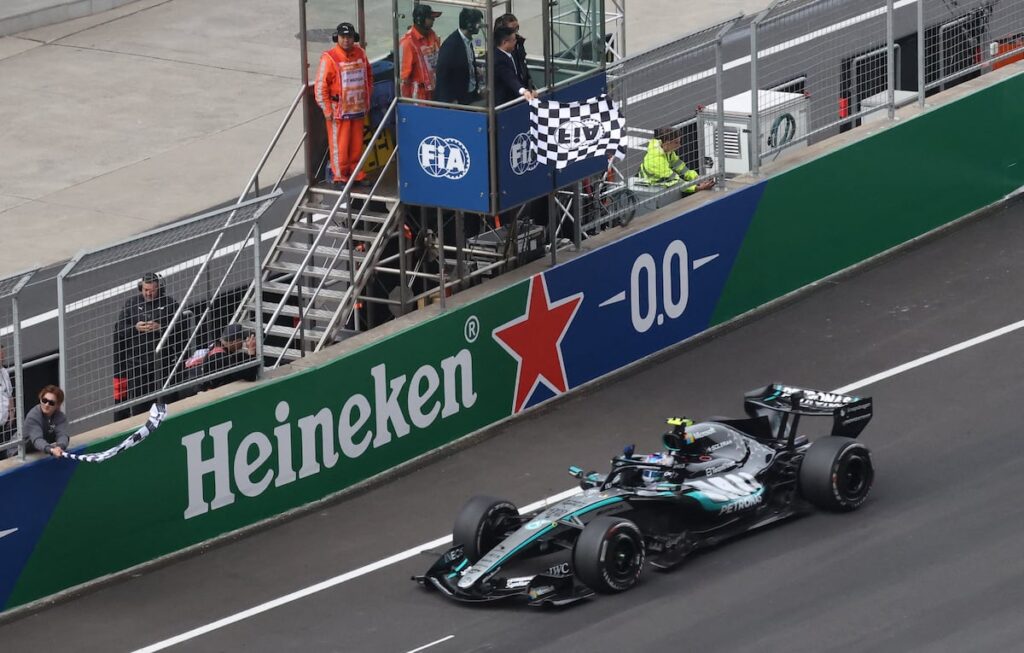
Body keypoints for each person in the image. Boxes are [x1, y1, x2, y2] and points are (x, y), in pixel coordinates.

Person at [113, 272, 180, 420]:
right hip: (137, 365)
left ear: (159, 288)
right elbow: (119, 328)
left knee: (165, 403)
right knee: (139, 406)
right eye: (146, 290)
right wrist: (135, 328)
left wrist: (161, 327)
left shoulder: (170, 304)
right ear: (140, 288)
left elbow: (180, 327)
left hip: (162, 364)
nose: (149, 293)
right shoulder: (131, 304)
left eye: (152, 290)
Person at [315, 22, 374, 186]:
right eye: (343, 37)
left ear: (354, 38)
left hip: (357, 110)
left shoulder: (361, 53)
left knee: (356, 145)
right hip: (338, 112)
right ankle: (340, 176)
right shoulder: (329, 58)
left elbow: (369, 76)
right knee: (339, 147)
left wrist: (366, 97)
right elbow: (320, 87)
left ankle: (356, 173)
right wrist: (327, 110)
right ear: (337, 37)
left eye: (349, 37)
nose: (346, 40)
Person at [639, 127, 715, 193]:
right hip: (652, 185)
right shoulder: (656, 160)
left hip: (660, 181)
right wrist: (697, 188)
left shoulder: (667, 151)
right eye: (676, 142)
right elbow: (674, 181)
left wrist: (697, 178)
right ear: (667, 142)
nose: (679, 145)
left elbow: (681, 168)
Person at [435, 8, 485, 105]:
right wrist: (450, 100)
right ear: (469, 25)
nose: (480, 26)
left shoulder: (468, 41)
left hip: (470, 93)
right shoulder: (450, 45)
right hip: (457, 99)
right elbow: (442, 75)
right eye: (478, 23)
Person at [192, 324, 260, 391]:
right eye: (242, 339)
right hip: (209, 392)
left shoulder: (217, 346)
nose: (244, 342)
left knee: (241, 356)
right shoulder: (220, 357)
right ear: (234, 342)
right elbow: (251, 376)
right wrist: (251, 350)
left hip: (209, 383)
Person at [399, 4, 442, 100]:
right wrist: (405, 102)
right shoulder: (407, 42)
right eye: (430, 18)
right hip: (418, 94)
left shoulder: (432, 35)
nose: (433, 20)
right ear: (420, 20)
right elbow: (403, 77)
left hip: (434, 89)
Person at [493, 26, 537, 106]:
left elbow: (520, 74)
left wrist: (529, 90)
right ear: (504, 42)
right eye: (513, 40)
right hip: (504, 103)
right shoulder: (497, 59)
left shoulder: (512, 53)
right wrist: (523, 91)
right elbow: (509, 78)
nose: (516, 42)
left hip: (516, 98)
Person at [24, 385, 68, 458]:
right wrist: (51, 450)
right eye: (44, 400)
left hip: (38, 449)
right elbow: (37, 439)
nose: (46, 405)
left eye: (51, 403)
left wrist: (60, 447)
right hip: (19, 452)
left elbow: (63, 435)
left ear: (58, 405)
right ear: (40, 399)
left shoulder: (60, 416)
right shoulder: (33, 416)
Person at [494, 13, 534, 94]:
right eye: (512, 29)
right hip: (507, 94)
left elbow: (523, 67)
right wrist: (522, 90)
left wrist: (530, 88)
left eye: (517, 28)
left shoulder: (517, 44)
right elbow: (508, 76)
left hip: (522, 89)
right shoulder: (496, 55)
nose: (516, 32)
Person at [0, 344, 13, 460]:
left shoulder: (4, 372)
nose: (2, 359)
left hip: (4, 425)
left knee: (4, 454)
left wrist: (12, 411)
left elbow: (9, 394)